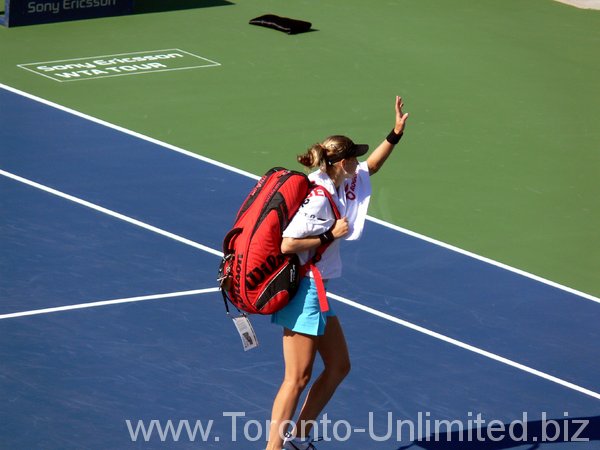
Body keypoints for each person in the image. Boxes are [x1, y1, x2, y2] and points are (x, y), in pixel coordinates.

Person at [265, 96, 409, 450]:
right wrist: (330, 234)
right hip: (304, 291)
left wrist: (394, 135)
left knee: (339, 366)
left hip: (318, 290)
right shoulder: (317, 196)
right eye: (354, 157)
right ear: (342, 162)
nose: (359, 162)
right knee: (296, 379)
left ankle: (298, 438)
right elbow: (286, 244)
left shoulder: (342, 178)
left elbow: (371, 167)